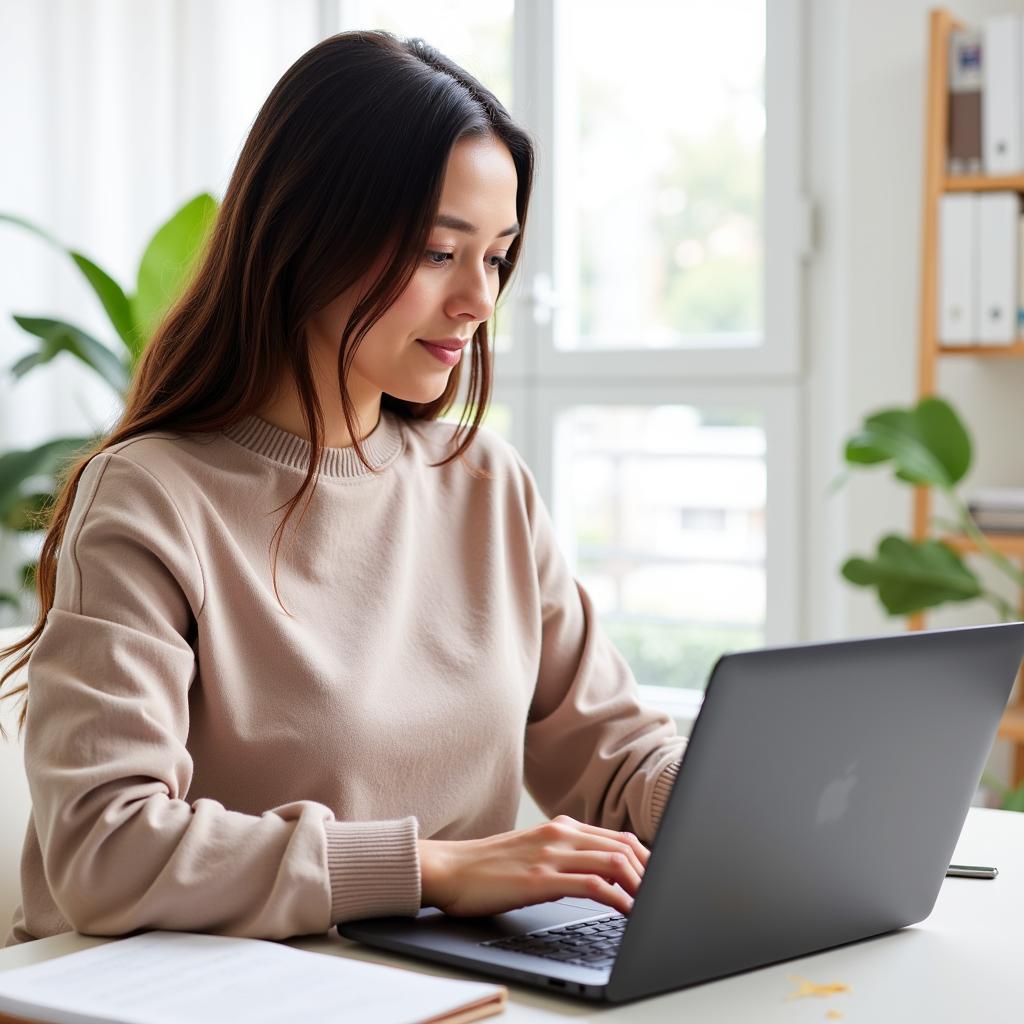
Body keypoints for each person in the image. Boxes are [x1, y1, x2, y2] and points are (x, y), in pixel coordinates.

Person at [0, 30, 684, 947]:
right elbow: (105, 851)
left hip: (449, 988)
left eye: (496, 256)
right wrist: (432, 870)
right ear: (309, 236)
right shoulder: (150, 499)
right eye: (441, 253)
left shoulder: (486, 487)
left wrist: (744, 792)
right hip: (216, 999)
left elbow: (613, 753)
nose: (479, 300)